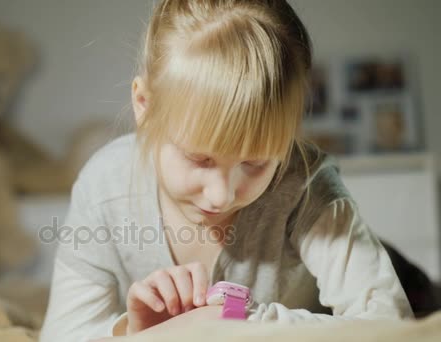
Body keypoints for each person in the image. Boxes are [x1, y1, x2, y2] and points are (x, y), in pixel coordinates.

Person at [39, 1, 413, 341]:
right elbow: (62, 334)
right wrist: (135, 333)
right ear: (144, 105)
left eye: (255, 162)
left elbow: (389, 324)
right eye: (199, 159)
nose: (221, 195)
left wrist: (236, 322)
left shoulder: (307, 186)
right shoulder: (104, 185)